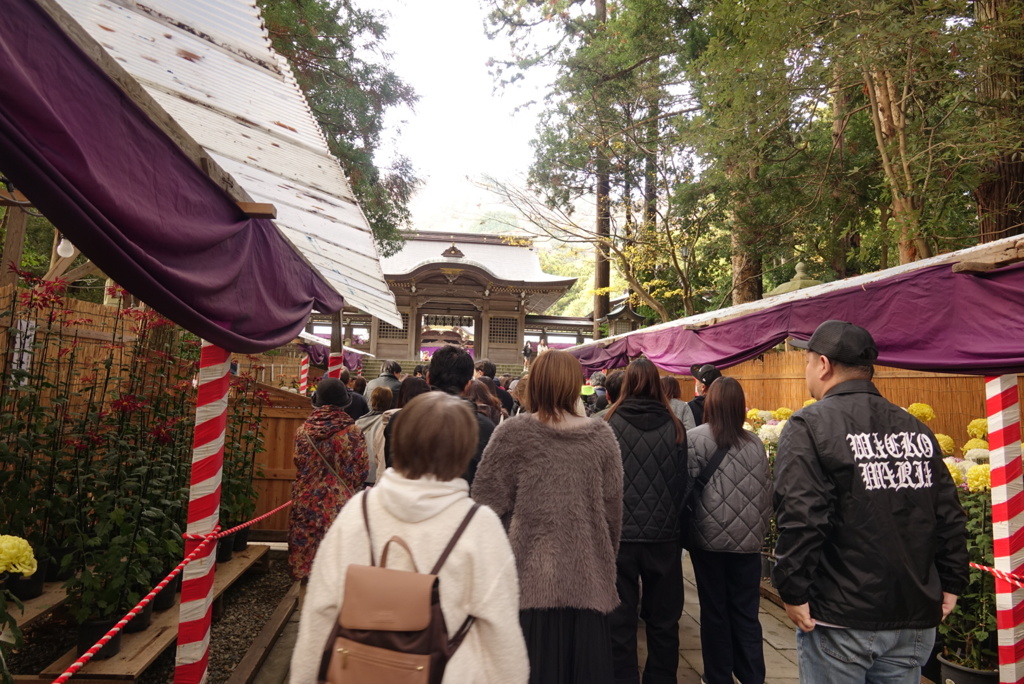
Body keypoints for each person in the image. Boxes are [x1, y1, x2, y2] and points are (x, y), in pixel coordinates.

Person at [773, 320, 968, 684]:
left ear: (824, 365)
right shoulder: (914, 428)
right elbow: (948, 514)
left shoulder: (809, 425)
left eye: (807, 362)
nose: (807, 372)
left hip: (841, 617)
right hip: (912, 611)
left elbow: (802, 515)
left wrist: (792, 588)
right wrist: (953, 580)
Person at [289, 392, 529, 684]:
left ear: (398, 439)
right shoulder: (479, 526)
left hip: (356, 671)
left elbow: (321, 611)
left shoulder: (358, 513)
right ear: (464, 450)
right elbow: (500, 633)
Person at [473, 350, 623, 684]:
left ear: (535, 384)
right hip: (588, 584)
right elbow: (613, 517)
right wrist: (603, 561)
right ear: (574, 386)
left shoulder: (512, 433)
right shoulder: (601, 437)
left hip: (527, 582)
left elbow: (485, 507)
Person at [604, 357, 686, 684]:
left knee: (619, 620)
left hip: (620, 536)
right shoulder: (675, 426)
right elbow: (683, 483)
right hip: (664, 537)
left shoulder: (609, 422)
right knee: (664, 621)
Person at [686, 377, 771, 684]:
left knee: (714, 612)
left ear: (710, 403)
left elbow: (686, 491)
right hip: (747, 545)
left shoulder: (696, 438)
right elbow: (765, 494)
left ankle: (718, 676)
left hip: (708, 542)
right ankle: (752, 676)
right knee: (747, 614)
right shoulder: (756, 443)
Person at [288, 378, 367, 581]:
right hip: (340, 506)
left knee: (308, 565)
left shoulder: (302, 432)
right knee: (338, 565)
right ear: (344, 402)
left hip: (306, 505)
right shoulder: (354, 433)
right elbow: (361, 472)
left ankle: (308, 605)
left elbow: (299, 464)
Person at [383, 345, 495, 484]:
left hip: (403, 502)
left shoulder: (400, 420)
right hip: (463, 503)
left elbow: (391, 468)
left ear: (428, 378)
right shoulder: (485, 427)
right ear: (468, 385)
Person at [354, 386, 392, 486]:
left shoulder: (358, 423)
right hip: (379, 473)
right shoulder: (388, 424)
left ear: (371, 401)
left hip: (360, 472)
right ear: (390, 402)